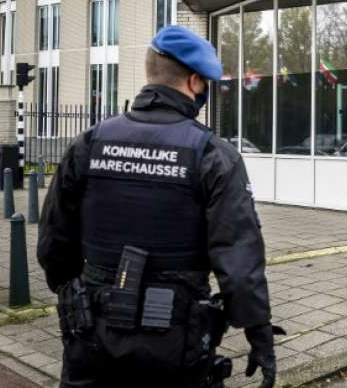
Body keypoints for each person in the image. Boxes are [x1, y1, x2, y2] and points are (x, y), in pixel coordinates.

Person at [38, 25, 279, 388]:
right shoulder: (212, 155)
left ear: (150, 74)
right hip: (176, 337)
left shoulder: (89, 144)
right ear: (195, 81)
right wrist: (258, 330)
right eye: (205, 84)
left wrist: (76, 292)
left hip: (91, 330)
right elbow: (237, 255)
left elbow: (54, 238)